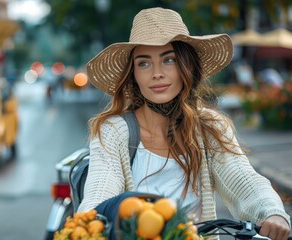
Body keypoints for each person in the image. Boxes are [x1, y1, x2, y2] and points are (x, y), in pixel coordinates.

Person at [78, 7, 291, 240]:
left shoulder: (210, 126)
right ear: (133, 74)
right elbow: (99, 192)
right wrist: (91, 222)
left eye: (169, 60)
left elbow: (243, 179)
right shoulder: (113, 131)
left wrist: (271, 212)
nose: (157, 73)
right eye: (144, 63)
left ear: (186, 67)